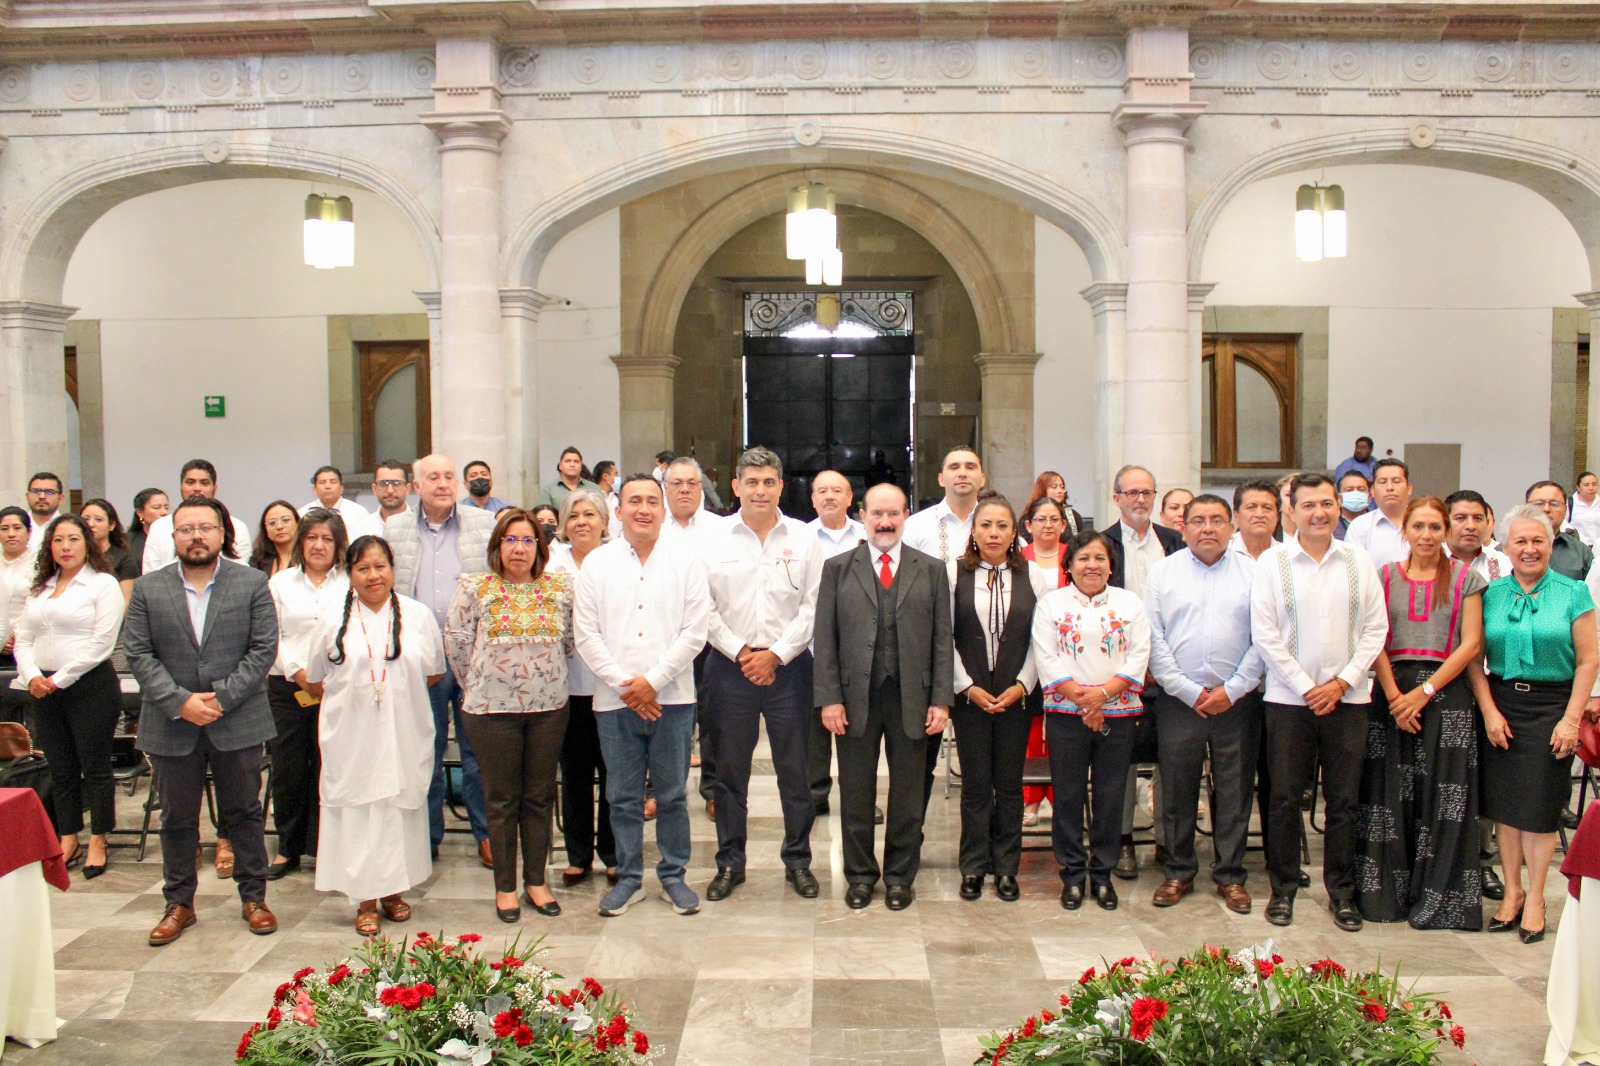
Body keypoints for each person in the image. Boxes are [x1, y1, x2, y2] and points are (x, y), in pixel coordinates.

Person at [124, 496, 280, 945]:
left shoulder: (251, 582)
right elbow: (138, 652)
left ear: (222, 533)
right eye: (186, 529)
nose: (196, 536)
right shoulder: (149, 588)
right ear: (173, 536)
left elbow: (263, 649)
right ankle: (179, 903)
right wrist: (181, 702)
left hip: (237, 718)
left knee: (244, 812)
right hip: (171, 721)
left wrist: (222, 698)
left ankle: (254, 897)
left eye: (205, 528)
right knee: (176, 818)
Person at [1250, 473, 1387, 932]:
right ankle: (1283, 889)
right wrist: (1307, 686)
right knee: (1285, 797)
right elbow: (1265, 633)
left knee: (1344, 800)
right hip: (1289, 701)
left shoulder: (1357, 559)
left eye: (1327, 503)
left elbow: (1376, 628)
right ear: (1291, 511)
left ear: (1338, 506)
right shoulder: (1272, 563)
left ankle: (1342, 893)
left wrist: (1343, 682)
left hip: (1349, 699)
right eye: (1308, 505)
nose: (1319, 513)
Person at [572, 474, 710, 918]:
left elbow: (695, 632)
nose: (644, 509)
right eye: (634, 501)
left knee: (671, 795)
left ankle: (673, 875)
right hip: (615, 703)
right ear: (618, 510)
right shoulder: (597, 564)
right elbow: (586, 634)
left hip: (674, 699)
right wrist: (627, 686)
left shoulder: (686, 560)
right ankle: (629, 877)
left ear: (664, 510)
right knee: (622, 795)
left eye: (652, 501)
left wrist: (653, 681)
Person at [815, 482, 951, 911]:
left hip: (913, 698)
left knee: (909, 794)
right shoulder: (838, 569)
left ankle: (899, 877)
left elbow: (942, 640)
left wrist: (941, 700)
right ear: (863, 516)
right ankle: (859, 876)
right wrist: (830, 699)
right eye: (877, 513)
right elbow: (825, 638)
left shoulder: (931, 570)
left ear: (906, 516)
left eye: (894, 514)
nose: (885, 522)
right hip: (855, 698)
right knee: (855, 791)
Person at [1470, 504, 1600, 945]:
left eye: (1538, 540)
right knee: (1505, 808)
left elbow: (1588, 661)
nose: (1529, 549)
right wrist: (1489, 711)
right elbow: (1474, 659)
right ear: (1505, 547)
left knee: (1540, 809)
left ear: (1551, 545)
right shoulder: (1491, 593)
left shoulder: (1573, 592)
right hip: (1502, 704)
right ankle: (1512, 893)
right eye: (1520, 541)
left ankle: (1538, 899)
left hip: (1553, 707)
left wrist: (1571, 719)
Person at [1355, 496, 1485, 930]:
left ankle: (1441, 901)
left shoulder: (1467, 578)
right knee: (1388, 793)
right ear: (1405, 531)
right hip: (1391, 693)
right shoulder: (1383, 576)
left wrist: (1424, 692)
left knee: (1444, 797)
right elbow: (1373, 637)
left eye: (1434, 527)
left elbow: (1471, 643)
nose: (1426, 535)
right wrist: (1397, 697)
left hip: (1447, 695)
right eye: (1418, 527)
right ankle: (1385, 898)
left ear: (1446, 531)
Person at [700, 447, 824, 902]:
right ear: (736, 486)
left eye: (769, 482)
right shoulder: (713, 539)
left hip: (789, 669)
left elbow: (813, 606)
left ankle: (798, 861)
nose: (760, 490)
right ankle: (730, 863)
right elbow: (702, 607)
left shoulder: (804, 538)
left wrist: (776, 655)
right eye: (751, 482)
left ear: (781, 486)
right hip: (728, 667)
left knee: (796, 770)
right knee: (729, 772)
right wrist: (741, 652)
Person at [308, 536, 443, 936]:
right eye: (362, 568)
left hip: (404, 730)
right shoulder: (332, 618)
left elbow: (434, 672)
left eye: (380, 566)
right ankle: (364, 899)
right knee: (359, 811)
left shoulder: (417, 615)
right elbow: (314, 679)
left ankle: (394, 891)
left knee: (397, 808)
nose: (373, 575)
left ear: (393, 569)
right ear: (349, 573)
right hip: (352, 735)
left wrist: (391, 693)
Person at [446, 508, 573, 923]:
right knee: (501, 799)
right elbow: (457, 644)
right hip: (491, 711)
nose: (519, 548)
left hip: (548, 708)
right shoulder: (475, 587)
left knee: (539, 796)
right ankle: (505, 888)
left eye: (528, 540)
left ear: (540, 548)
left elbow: (569, 643)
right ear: (497, 546)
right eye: (511, 540)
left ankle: (536, 882)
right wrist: (482, 682)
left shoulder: (560, 588)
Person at [1144, 495, 1265, 914]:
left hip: (1237, 700)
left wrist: (1234, 689)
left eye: (1216, 520)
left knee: (1234, 788)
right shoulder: (1163, 572)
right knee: (1177, 788)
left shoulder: (1254, 573)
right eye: (1198, 520)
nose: (1207, 528)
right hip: (1180, 701)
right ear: (1184, 528)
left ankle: (1231, 875)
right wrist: (1187, 691)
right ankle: (1178, 870)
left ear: (1232, 527)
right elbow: (1153, 637)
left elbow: (1264, 638)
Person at [384, 454, 496, 866]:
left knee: (478, 751)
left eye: (449, 476)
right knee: (423, 750)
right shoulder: (395, 529)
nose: (444, 483)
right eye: (433, 477)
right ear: (416, 486)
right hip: (418, 655)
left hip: (473, 654)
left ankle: (486, 834)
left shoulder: (483, 524)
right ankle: (425, 836)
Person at [1033, 529, 1152, 912]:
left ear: (1111, 566)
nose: (1092, 565)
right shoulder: (1051, 604)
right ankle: (1072, 874)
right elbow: (1046, 656)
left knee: (1110, 796)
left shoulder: (1129, 603)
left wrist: (1103, 695)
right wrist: (1085, 700)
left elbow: (1139, 655)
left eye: (1100, 558)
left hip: (1118, 715)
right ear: (1069, 565)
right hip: (1066, 714)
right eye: (1083, 558)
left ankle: (1102, 875)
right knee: (1067, 795)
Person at [13, 514, 126, 879]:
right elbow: (23, 638)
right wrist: (32, 675)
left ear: (87, 544)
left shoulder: (102, 584)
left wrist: (58, 679)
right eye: (58, 540)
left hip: (89, 686)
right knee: (60, 768)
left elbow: (102, 642)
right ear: (49, 547)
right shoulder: (41, 588)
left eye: (73, 539)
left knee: (94, 766)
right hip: (42, 687)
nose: (65, 546)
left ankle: (98, 838)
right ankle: (68, 837)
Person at [949, 494, 1043, 902]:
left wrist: (1022, 684)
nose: (993, 533)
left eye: (1002, 525)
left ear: (1014, 531)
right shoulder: (953, 574)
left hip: (1015, 695)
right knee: (974, 786)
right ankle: (972, 867)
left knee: (1008, 785)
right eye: (985, 525)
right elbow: (943, 636)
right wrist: (966, 686)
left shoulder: (1033, 575)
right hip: (969, 695)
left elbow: (1043, 639)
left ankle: (1006, 868)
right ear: (973, 530)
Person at [1102, 464, 1183, 879]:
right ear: (1116, 498)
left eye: (1147, 492)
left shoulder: (1174, 543)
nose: (1140, 499)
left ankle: (1169, 842)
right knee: (1122, 760)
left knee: (1171, 756)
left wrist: (1159, 662)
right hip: (1117, 671)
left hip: (1170, 669)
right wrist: (1133, 666)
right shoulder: (1102, 544)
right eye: (1131, 492)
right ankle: (1122, 841)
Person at [263, 509, 349, 881]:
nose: (318, 545)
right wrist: (301, 674)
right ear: (301, 542)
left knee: (332, 768)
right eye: (312, 537)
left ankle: (327, 847)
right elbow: (270, 635)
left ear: (338, 544)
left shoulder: (350, 581)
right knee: (289, 768)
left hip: (339, 688)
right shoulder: (281, 583)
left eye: (327, 539)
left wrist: (325, 679)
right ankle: (288, 846)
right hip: (288, 688)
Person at [902, 447, 986, 810]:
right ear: (941, 478)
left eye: (970, 466)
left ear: (982, 477)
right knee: (918, 760)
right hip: (926, 652)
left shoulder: (997, 521)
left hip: (981, 652)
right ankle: (911, 836)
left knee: (981, 761)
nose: (962, 472)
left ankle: (981, 838)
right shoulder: (917, 526)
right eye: (954, 466)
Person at [1444, 488, 1513, 902]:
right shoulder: (1431, 563)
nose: (1469, 526)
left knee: (1486, 778)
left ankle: (1482, 862)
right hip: (1443, 684)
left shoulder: (1504, 565)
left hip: (1493, 683)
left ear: (1489, 522)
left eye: (1477, 518)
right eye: (1460, 518)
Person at [547, 488, 617, 888]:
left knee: (613, 775)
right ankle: (577, 855)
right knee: (574, 775)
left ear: (604, 521)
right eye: (573, 516)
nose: (581, 522)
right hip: (567, 687)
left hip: (611, 685)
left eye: (590, 514)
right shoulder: (550, 564)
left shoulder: (618, 559)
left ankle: (612, 853)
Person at [658, 455, 722, 815]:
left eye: (691, 483)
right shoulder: (652, 525)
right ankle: (661, 790)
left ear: (702, 488)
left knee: (713, 717)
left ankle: (713, 789)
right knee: (664, 716)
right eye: (676, 483)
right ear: (665, 488)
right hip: (663, 638)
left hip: (712, 639)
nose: (684, 489)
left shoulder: (722, 529)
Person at [805, 469, 864, 816]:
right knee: (813, 729)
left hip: (860, 647)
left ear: (849, 497)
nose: (829, 496)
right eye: (822, 491)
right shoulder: (800, 538)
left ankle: (859, 798)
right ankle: (815, 795)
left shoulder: (867, 536)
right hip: (811, 645)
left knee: (858, 729)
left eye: (837, 490)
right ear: (813, 499)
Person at [1019, 495, 1072, 826]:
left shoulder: (1074, 555)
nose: (1048, 525)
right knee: (1031, 726)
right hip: (1027, 650)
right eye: (1041, 519)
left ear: (1064, 525)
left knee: (1061, 728)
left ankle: (1058, 796)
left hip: (1068, 653)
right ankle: (1031, 800)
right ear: (1029, 525)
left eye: (1054, 519)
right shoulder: (1018, 558)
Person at [141, 460, 252, 573]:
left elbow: (240, 573)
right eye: (190, 482)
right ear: (181, 487)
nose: (197, 488)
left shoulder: (237, 527)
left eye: (204, 483)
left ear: (214, 489)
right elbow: (150, 574)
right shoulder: (159, 526)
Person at [1344, 457, 1412, 568]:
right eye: (1382, 482)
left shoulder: (1425, 522)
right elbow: (1353, 570)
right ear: (1372, 490)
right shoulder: (1360, 526)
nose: (1389, 487)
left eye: (1396, 481)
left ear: (1409, 488)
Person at [1527, 479, 1594, 581]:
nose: (1546, 509)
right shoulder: (1507, 550)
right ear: (1526, 507)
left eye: (1554, 504)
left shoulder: (1581, 552)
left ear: (1565, 510)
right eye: (1539, 503)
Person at [79, 498, 140, 598]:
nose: (91, 524)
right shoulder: (75, 556)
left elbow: (126, 600)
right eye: (86, 519)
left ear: (111, 525)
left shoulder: (124, 559)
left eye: (98, 519)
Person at [0, 506, 36, 671]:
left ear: (29, 532)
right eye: (4, 529)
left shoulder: (40, 565)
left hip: (28, 644)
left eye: (17, 528)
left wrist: (14, 635)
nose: (11, 534)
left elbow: (38, 605)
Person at [301, 465, 369, 531]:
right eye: (322, 482)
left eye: (333, 482)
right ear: (315, 490)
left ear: (341, 488)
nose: (327, 486)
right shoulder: (303, 513)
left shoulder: (358, 512)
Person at [357, 459, 412, 538]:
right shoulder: (360, 530)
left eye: (396, 483)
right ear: (374, 489)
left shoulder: (421, 527)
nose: (390, 490)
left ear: (407, 489)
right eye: (383, 483)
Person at [1024, 471, 1085, 541]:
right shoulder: (1028, 517)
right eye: (1054, 487)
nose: (1060, 491)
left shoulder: (1073, 515)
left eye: (1062, 487)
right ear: (1042, 489)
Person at [538, 447, 601, 511]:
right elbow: (545, 515)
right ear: (560, 466)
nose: (572, 465)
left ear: (581, 466)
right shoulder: (548, 490)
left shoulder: (594, 488)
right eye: (567, 461)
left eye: (576, 461)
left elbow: (601, 513)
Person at [1230, 479, 1280, 560]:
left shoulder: (1288, 555)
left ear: (1277, 516)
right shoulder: (1221, 553)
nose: (1259, 514)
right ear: (1236, 516)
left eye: (1267, 508)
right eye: (1251, 507)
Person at [248, 501, 300, 576]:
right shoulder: (257, 560)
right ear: (265, 530)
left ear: (297, 523)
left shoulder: (308, 556)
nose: (279, 526)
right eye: (272, 523)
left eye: (286, 520)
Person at [127, 488, 169, 574]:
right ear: (140, 512)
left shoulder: (173, 537)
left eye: (166, 507)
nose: (164, 512)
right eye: (157, 507)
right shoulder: (128, 541)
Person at [24, 472, 64, 551]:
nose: (42, 496)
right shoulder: (17, 525)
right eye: (36, 491)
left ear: (60, 498)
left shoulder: (68, 526)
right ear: (27, 497)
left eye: (49, 492)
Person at [1335, 471, 1370, 541]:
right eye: (1349, 490)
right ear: (1339, 498)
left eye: (1361, 489)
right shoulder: (1331, 526)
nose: (1356, 493)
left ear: (1369, 497)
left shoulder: (1379, 524)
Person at [1572, 472, 1600, 546]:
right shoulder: (1570, 504)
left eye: (1594, 484)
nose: (1591, 488)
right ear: (1578, 487)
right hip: (1578, 547)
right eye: (1586, 485)